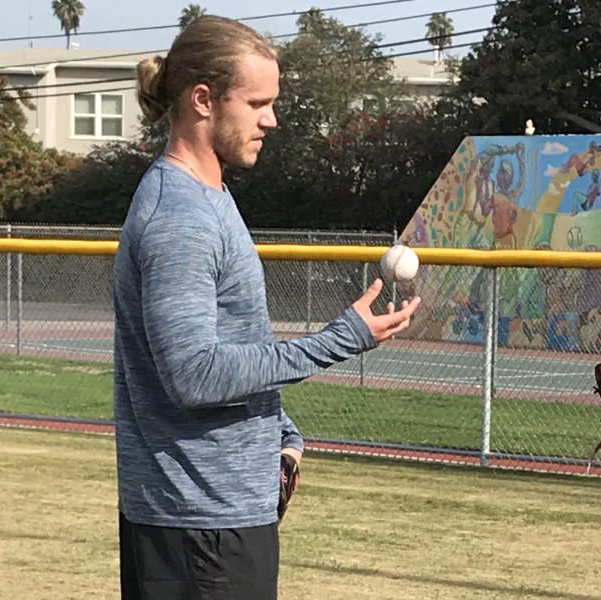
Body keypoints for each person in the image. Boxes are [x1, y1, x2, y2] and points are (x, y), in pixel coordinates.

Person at [113, 16, 420, 600]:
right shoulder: (181, 217)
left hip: (219, 514)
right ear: (203, 100)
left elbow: (231, 341)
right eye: (257, 102)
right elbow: (192, 373)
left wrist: (281, 432)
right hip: (197, 524)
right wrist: (342, 337)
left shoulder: (210, 196)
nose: (271, 119)